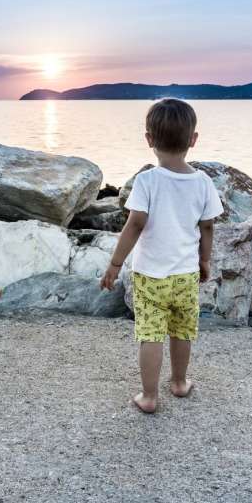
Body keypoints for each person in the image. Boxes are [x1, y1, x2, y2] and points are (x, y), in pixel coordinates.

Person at [100, 98, 223, 413]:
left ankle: (150, 397)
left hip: (150, 275)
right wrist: (204, 260)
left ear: (149, 140)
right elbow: (207, 227)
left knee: (151, 333)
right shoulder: (203, 183)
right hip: (185, 275)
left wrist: (115, 264)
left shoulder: (147, 181)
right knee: (182, 329)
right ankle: (180, 383)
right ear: (193, 140)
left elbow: (135, 225)